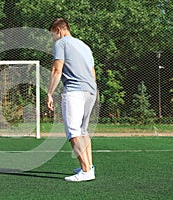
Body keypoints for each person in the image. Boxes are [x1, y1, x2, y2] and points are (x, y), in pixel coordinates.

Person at [47, 18, 97, 182]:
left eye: (52, 35)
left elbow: (56, 70)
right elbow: (92, 72)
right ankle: (89, 167)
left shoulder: (61, 43)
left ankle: (85, 171)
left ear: (59, 31)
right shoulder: (84, 46)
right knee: (83, 130)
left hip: (74, 91)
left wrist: (49, 93)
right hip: (91, 90)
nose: (53, 39)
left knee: (73, 131)